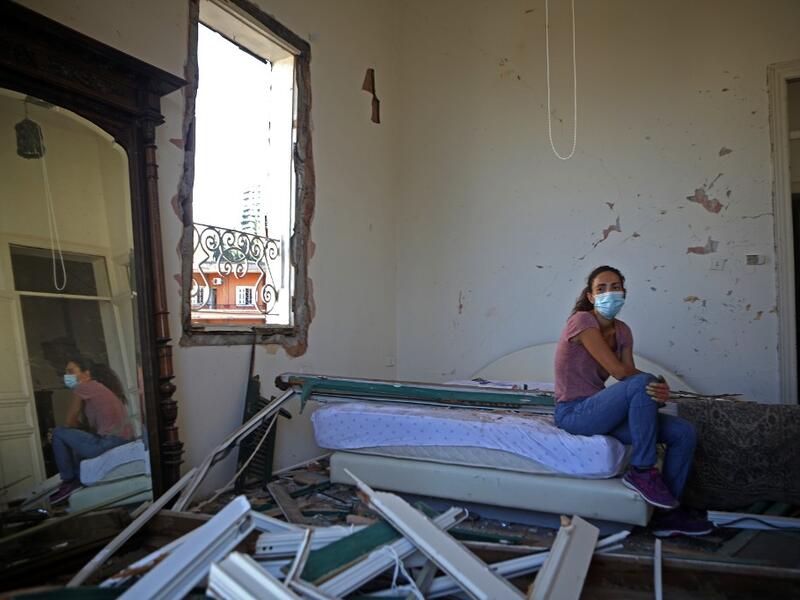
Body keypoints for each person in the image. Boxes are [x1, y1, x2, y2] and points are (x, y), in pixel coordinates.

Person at [553, 265, 712, 537]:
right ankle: (642, 470)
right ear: (591, 296)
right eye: (601, 288)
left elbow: (630, 375)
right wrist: (650, 383)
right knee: (642, 382)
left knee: (684, 432)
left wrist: (658, 390)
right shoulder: (582, 321)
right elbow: (620, 372)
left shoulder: (623, 331)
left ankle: (667, 516)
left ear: (624, 293)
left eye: (615, 287)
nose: (609, 293)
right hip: (574, 413)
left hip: (601, 412)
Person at [49, 357, 134, 504]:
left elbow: (69, 422)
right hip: (120, 441)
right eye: (65, 372)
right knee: (71, 438)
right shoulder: (100, 389)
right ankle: (79, 478)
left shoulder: (83, 387)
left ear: (86, 374)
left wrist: (62, 435)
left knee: (58, 432)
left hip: (110, 441)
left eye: (71, 371)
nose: (66, 376)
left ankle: (69, 482)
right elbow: (90, 430)